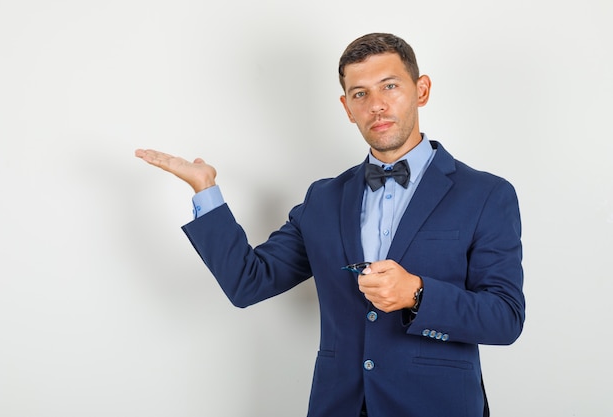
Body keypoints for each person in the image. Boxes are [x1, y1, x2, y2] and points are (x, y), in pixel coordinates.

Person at [135, 33, 525, 417]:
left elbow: (505, 318)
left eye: (389, 86)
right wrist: (205, 190)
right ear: (346, 106)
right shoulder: (324, 199)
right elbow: (247, 282)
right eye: (360, 94)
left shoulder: (487, 194)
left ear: (421, 90)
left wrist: (418, 294)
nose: (376, 105)